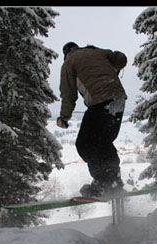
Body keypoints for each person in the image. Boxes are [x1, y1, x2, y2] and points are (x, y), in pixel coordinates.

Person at [57, 42, 127, 197]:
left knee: (85, 144)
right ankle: (114, 181)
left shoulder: (69, 62)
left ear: (66, 53)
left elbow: (68, 95)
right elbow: (121, 58)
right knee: (103, 143)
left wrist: (64, 117)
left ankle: (102, 182)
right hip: (119, 100)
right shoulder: (97, 52)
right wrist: (110, 65)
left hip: (100, 101)